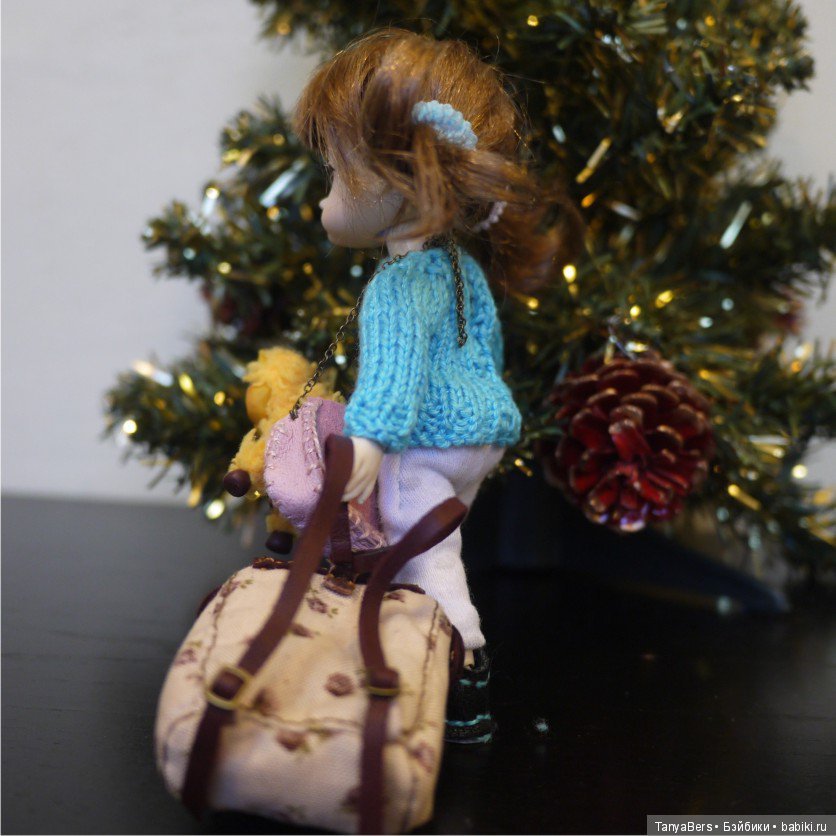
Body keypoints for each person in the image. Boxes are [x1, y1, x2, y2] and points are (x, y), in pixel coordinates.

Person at [291, 26, 583, 742]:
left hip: (425, 444)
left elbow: (392, 377)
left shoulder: (397, 284)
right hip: (480, 436)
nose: (325, 199)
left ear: (397, 181)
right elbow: (484, 350)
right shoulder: (460, 266)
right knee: (421, 545)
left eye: (335, 176)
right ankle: (407, 651)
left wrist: (367, 442)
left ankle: (461, 674)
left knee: (427, 560)